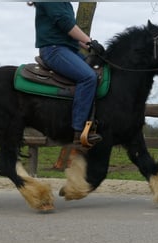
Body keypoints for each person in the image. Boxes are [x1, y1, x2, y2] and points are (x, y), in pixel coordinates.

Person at [32, 2, 104, 145]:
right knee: (88, 77)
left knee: (100, 71)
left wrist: (93, 47)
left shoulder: (66, 4)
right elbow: (67, 25)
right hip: (54, 49)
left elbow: (71, 34)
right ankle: (78, 131)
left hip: (69, 50)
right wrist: (90, 42)